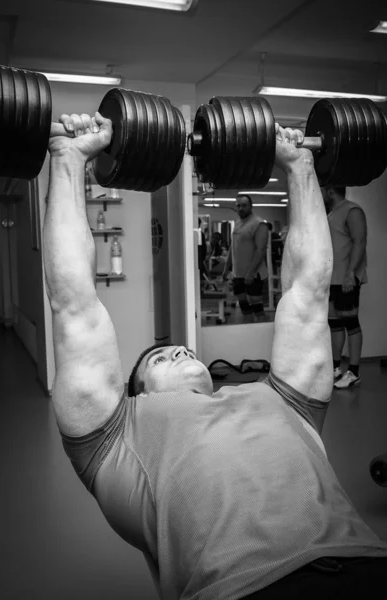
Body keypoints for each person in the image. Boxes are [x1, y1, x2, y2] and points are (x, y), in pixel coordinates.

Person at [44, 114, 387, 600]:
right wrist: (67, 160)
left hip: (368, 565)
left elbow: (308, 291)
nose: (181, 350)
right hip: (240, 589)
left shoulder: (284, 400)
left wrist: (300, 165)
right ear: (136, 394)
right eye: (162, 359)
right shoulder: (116, 441)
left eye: (183, 349)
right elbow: (74, 303)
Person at [322, 185, 368, 389]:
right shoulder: (331, 213)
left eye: (323, 190)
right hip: (332, 279)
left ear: (330, 191)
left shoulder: (352, 210)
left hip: (346, 278)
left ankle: (354, 372)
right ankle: (336, 367)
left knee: (350, 322)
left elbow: (360, 242)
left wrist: (351, 273)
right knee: (335, 323)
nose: (321, 193)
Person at [222, 195, 269, 323]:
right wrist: (227, 268)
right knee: (244, 307)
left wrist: (251, 273)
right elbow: (233, 246)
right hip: (238, 274)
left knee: (257, 308)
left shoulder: (259, 224)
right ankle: (249, 336)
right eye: (238, 205)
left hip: (254, 274)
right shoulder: (237, 223)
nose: (241, 208)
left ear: (250, 206)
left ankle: (261, 337)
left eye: (244, 205)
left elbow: (261, 250)